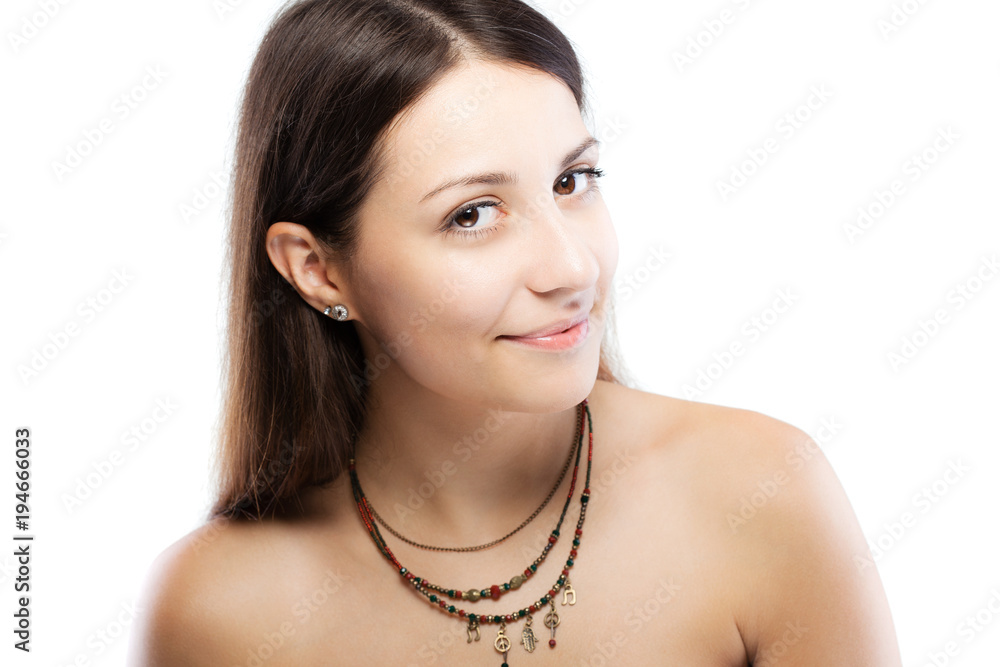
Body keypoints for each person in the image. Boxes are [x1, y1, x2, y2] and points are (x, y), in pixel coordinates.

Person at [129, 0, 903, 664]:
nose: (571, 267)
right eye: (472, 214)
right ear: (318, 269)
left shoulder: (759, 494)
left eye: (572, 182)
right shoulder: (218, 613)